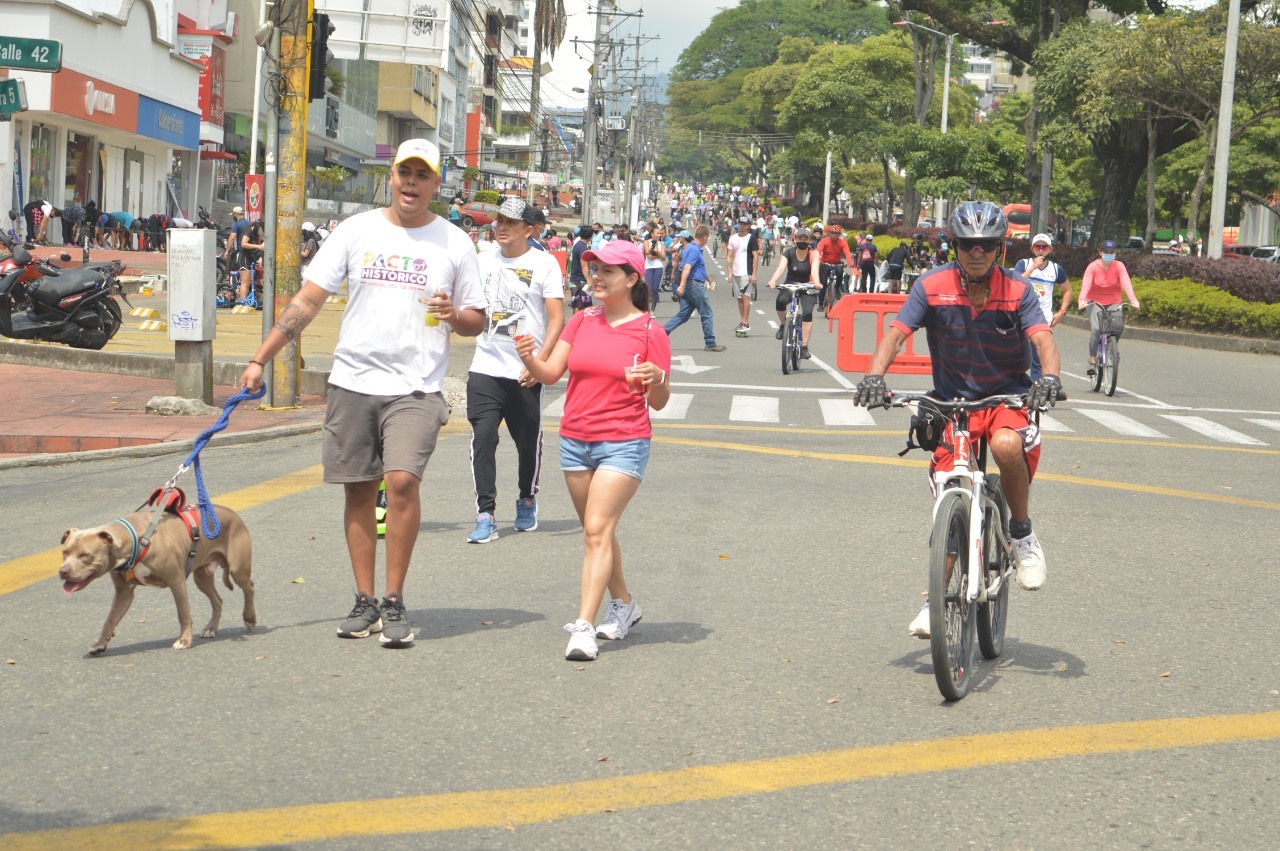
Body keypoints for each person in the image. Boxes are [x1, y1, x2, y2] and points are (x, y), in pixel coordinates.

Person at [238, 138, 486, 647]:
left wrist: (452, 315)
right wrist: (260, 358)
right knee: (357, 488)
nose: (411, 183)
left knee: (400, 483)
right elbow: (308, 300)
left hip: (415, 387)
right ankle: (365, 600)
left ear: (436, 185)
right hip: (353, 382)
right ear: (391, 178)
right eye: (404, 173)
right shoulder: (355, 231)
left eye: (422, 175)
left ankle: (394, 601)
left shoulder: (455, 243)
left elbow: (475, 321)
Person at [852, 201, 1062, 639]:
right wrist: (874, 375)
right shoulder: (931, 286)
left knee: (1006, 447)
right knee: (951, 488)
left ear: (1000, 248)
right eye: (968, 244)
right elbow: (896, 333)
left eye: (986, 245)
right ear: (954, 245)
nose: (977, 253)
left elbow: (1043, 340)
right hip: (953, 405)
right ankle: (934, 601)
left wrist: (1052, 378)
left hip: (1007, 397)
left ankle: (1021, 535)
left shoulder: (1019, 290)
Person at [513, 239, 671, 661]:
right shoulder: (582, 321)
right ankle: (624, 604)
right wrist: (529, 358)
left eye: (607, 271)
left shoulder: (651, 331)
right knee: (597, 531)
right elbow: (550, 373)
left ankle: (583, 625)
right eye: (593, 269)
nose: (596, 277)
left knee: (596, 529)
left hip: (624, 441)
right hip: (575, 440)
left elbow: (658, 402)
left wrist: (657, 377)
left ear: (632, 279)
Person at [466, 197, 566, 544]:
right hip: (485, 365)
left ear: (529, 229)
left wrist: (541, 364)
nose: (501, 227)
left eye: (510, 222)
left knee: (527, 444)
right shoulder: (481, 261)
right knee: (484, 439)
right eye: (498, 221)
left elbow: (556, 319)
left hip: (525, 371)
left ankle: (526, 498)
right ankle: (485, 514)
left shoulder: (545, 264)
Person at [1013, 233, 1073, 380]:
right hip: (1020, 316)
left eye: (1044, 247)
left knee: (1039, 360)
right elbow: (1015, 284)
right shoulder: (1023, 264)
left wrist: (1061, 312)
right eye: (1037, 247)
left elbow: (1068, 290)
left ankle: (1037, 397)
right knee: (1014, 358)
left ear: (1050, 249)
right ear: (1032, 249)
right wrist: (1033, 267)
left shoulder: (1056, 269)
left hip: (1042, 319)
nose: (1041, 250)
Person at [1077, 239, 1140, 377]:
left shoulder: (1119, 266)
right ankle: (1093, 361)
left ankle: (1112, 348)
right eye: (1106, 252)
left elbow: (1125, 282)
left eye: (1112, 252)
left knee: (1117, 328)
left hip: (1114, 301)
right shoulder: (1092, 267)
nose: (1109, 255)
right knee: (1096, 329)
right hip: (1095, 302)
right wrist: (1082, 300)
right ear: (1100, 252)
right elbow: (1086, 284)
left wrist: (1133, 299)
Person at [663, 226, 726, 352]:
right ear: (704, 237)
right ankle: (710, 343)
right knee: (707, 313)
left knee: (683, 315)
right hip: (694, 286)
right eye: (707, 238)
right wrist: (681, 285)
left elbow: (695, 267)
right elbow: (686, 268)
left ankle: (662, 332)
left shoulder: (691, 248)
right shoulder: (694, 250)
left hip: (690, 285)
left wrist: (707, 277)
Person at [768, 227, 821, 358]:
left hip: (807, 286)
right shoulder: (789, 253)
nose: (802, 241)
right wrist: (773, 280)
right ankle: (783, 325)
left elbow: (815, 271)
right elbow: (781, 268)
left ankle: (804, 347)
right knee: (780, 301)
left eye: (805, 239)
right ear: (795, 239)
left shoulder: (814, 254)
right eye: (799, 238)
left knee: (807, 312)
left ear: (810, 241)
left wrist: (817, 282)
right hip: (790, 283)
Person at [726, 215, 760, 335]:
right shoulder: (733, 238)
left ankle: (745, 322)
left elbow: (756, 256)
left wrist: (754, 273)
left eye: (745, 224)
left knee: (746, 297)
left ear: (749, 226)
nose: (742, 226)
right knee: (739, 298)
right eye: (740, 223)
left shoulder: (752, 238)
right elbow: (729, 255)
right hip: (735, 271)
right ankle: (743, 320)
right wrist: (729, 272)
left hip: (747, 272)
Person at [815, 225, 854, 304]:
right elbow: (818, 251)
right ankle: (820, 304)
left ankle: (837, 288)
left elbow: (847, 252)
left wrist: (849, 262)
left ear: (839, 234)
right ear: (829, 234)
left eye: (836, 234)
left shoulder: (842, 242)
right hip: (825, 263)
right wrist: (816, 259)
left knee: (840, 271)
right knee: (823, 284)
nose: (834, 235)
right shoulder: (824, 241)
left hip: (836, 263)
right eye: (832, 233)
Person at [237, 215, 265, 304]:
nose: (261, 231)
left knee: (249, 282)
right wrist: (258, 246)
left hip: (253, 257)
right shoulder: (249, 231)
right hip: (244, 257)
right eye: (261, 229)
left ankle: (248, 300)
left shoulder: (257, 234)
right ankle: (243, 302)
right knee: (245, 282)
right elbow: (243, 244)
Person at [642, 224, 667, 313]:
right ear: (652, 234)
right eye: (657, 233)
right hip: (648, 267)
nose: (659, 235)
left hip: (658, 267)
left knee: (655, 288)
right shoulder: (646, 242)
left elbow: (664, 258)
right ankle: (646, 308)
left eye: (660, 233)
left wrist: (657, 252)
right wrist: (658, 255)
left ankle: (652, 310)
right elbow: (649, 256)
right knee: (649, 288)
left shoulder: (661, 244)